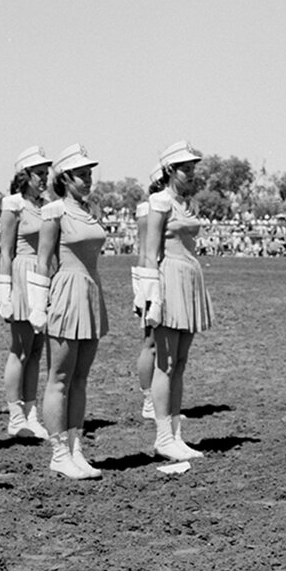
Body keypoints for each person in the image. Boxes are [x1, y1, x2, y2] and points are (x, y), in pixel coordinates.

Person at [31, 144, 108, 479]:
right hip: (65, 292)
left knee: (80, 378)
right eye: (81, 175)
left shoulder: (91, 210)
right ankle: (58, 451)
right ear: (64, 178)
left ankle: (76, 447)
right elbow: (43, 261)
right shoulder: (54, 212)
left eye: (90, 173)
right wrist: (38, 306)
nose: (88, 180)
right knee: (59, 378)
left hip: (91, 292)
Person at [137, 140, 213, 462]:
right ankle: (163, 437)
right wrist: (149, 297)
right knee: (165, 364)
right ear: (169, 170)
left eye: (193, 167)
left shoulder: (186, 203)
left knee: (179, 364)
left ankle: (176, 435)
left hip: (189, 281)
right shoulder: (159, 201)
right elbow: (150, 252)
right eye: (185, 168)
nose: (191, 173)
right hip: (168, 281)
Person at [0, 146, 52, 441]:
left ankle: (31, 411)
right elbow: (5, 251)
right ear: (24, 176)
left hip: (43, 275)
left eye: (46, 173)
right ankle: (15, 415)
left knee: (37, 350)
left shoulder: (47, 205)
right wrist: (4, 294)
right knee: (21, 348)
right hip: (22, 273)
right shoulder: (13, 205)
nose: (44, 179)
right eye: (39, 173)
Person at [130, 165, 167, 421]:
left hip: (168, 276)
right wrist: (143, 290)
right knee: (150, 342)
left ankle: (161, 398)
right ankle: (148, 400)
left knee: (164, 343)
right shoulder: (148, 209)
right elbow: (145, 252)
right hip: (153, 277)